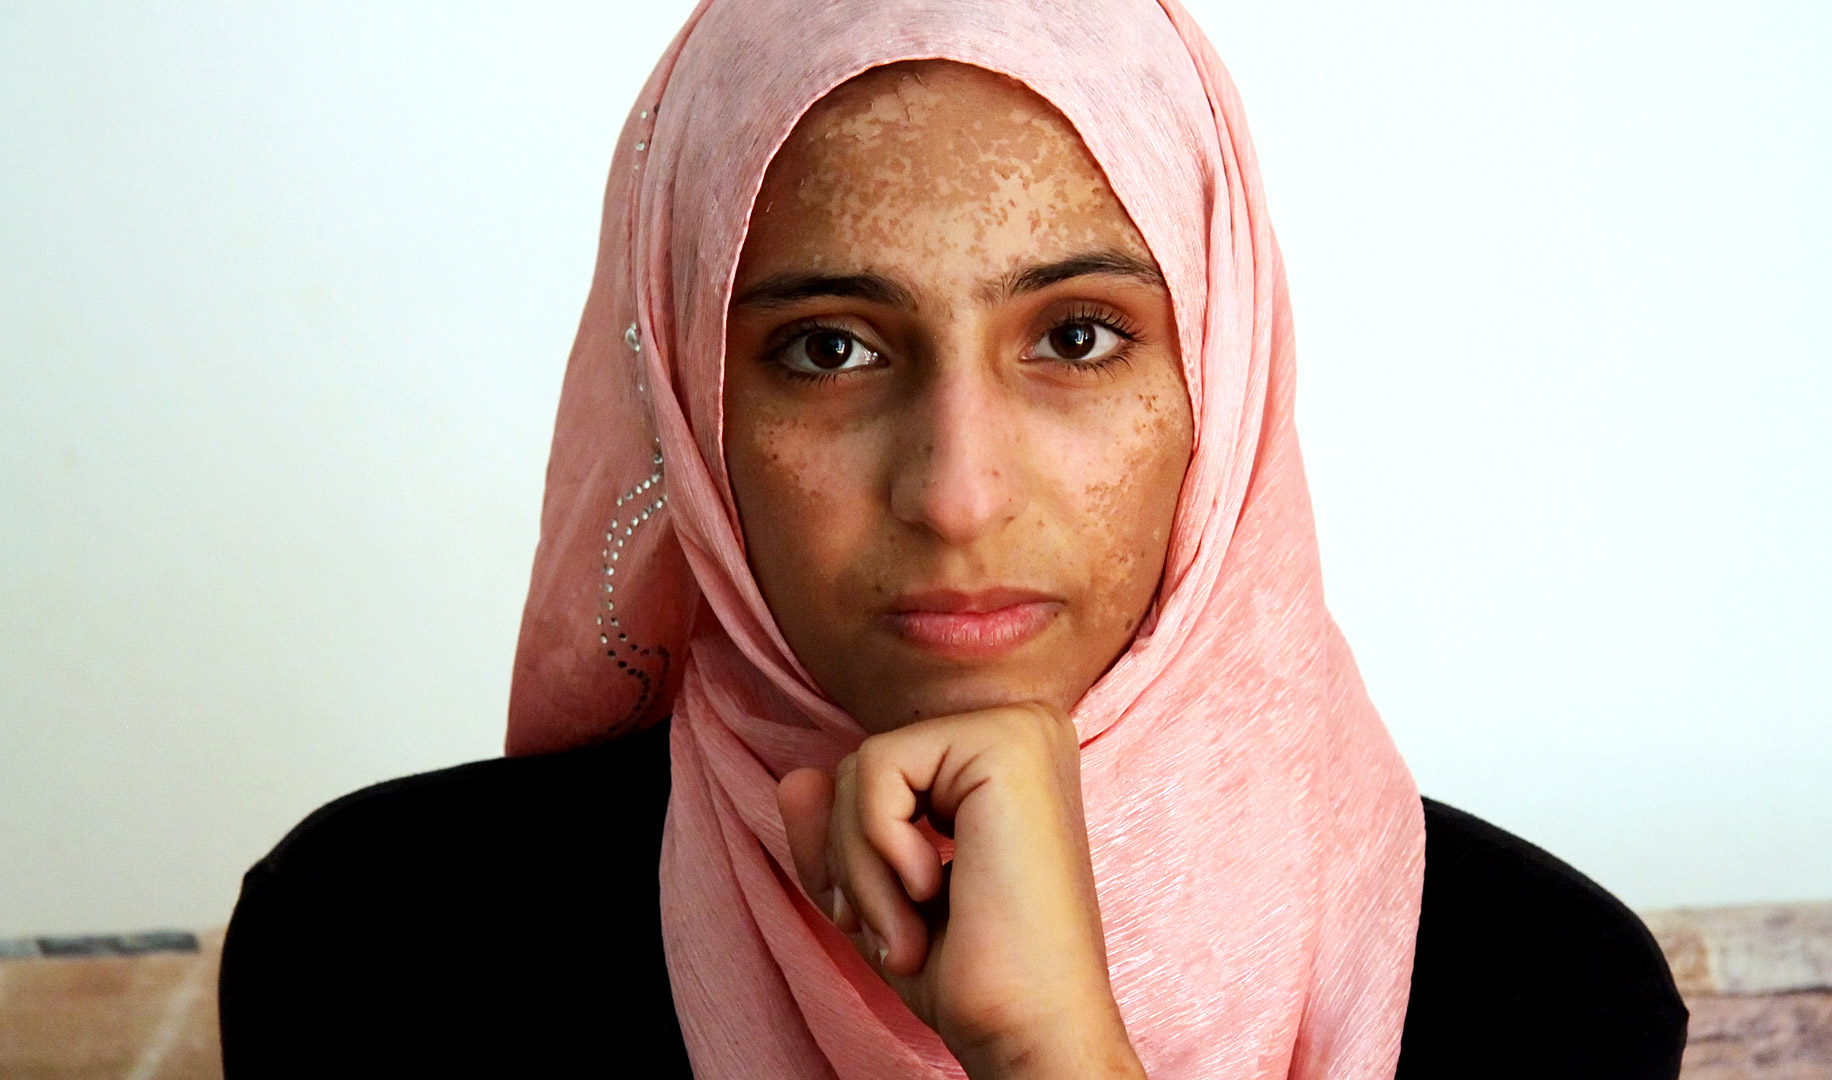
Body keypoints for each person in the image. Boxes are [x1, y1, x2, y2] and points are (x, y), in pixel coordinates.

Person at [218, 1, 1687, 1077]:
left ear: (1221, 381)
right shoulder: (389, 946)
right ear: (691, 403)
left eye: (1078, 336)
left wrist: (1052, 1053)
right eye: (830, 349)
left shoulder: (1539, 996)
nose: (958, 493)